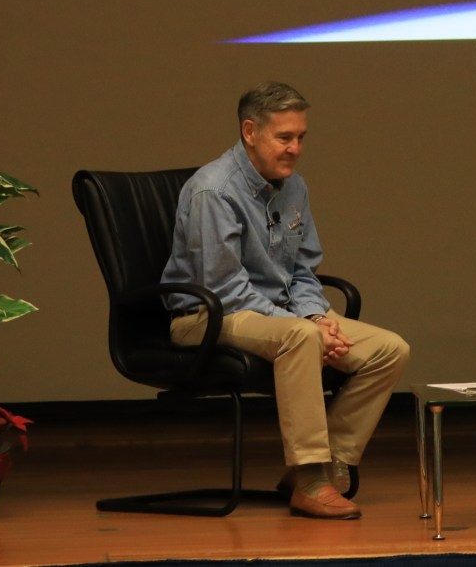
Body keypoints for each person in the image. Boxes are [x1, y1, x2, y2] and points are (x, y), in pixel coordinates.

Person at [161, 81, 411, 520]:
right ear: (250, 131)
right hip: (206, 313)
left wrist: (317, 313)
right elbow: (223, 288)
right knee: (299, 337)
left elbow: (302, 270)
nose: (295, 149)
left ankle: (330, 465)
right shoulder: (213, 191)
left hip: (282, 313)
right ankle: (311, 478)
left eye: (301, 138)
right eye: (284, 138)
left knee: (389, 349)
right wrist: (307, 327)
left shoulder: (294, 187)